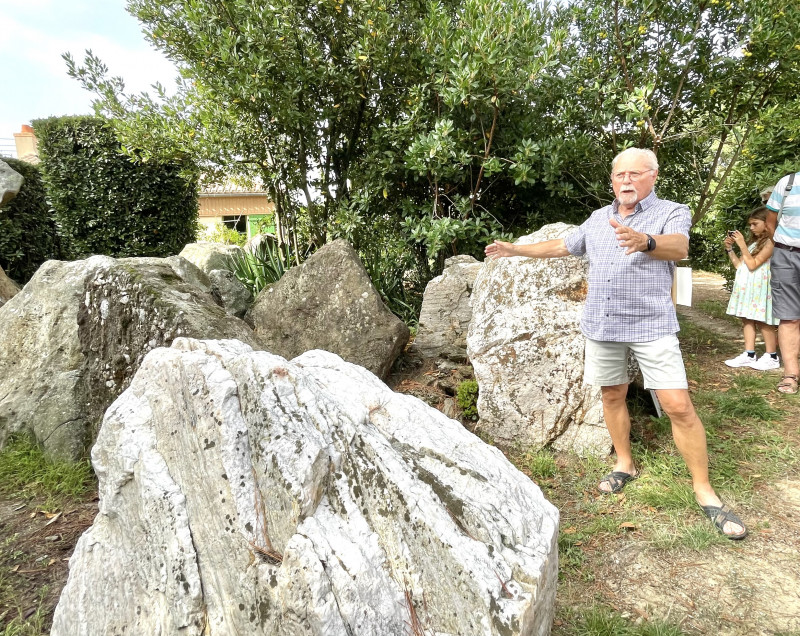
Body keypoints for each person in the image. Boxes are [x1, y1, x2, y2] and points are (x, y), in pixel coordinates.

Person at [485, 148, 747, 539]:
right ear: (612, 181)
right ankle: (624, 463)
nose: (626, 181)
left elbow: (680, 247)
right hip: (603, 326)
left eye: (635, 174)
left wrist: (645, 241)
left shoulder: (672, 211)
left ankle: (704, 490)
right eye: (619, 175)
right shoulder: (597, 218)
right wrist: (514, 249)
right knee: (612, 394)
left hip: (652, 325)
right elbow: (563, 246)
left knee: (678, 404)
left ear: (653, 177)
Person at [723, 207, 779, 370]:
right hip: (747, 286)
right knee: (746, 318)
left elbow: (754, 264)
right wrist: (730, 249)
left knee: (763, 320)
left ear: (766, 223)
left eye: (755, 224)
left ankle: (772, 356)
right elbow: (740, 265)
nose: (751, 228)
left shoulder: (771, 241)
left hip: (760, 286)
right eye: (750, 225)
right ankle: (749, 354)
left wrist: (741, 244)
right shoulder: (753, 243)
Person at [765, 171, 800, 394]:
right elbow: (770, 222)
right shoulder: (787, 183)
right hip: (786, 255)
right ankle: (791, 375)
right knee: (789, 316)